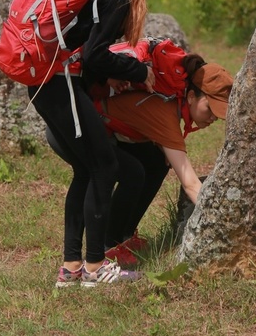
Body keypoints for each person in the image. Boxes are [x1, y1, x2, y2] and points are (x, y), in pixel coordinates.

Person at [27, 0, 181, 287]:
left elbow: (88, 52)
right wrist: (137, 70)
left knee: (87, 169)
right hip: (58, 83)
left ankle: (71, 270)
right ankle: (95, 268)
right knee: (105, 166)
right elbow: (96, 55)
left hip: (45, 80)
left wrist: (107, 76)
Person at [46, 50, 233, 267]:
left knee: (156, 161)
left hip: (92, 129)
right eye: (210, 108)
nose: (213, 118)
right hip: (70, 130)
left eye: (219, 113)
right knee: (132, 172)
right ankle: (109, 247)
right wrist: (224, 221)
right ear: (191, 96)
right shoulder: (166, 110)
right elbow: (190, 183)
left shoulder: (171, 96)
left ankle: (122, 237)